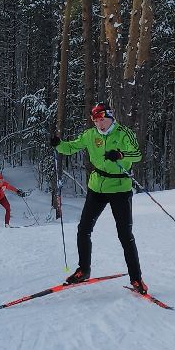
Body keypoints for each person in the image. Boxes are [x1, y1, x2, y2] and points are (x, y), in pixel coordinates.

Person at [51, 101, 146, 293]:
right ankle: (83, 270)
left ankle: (136, 279)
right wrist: (59, 144)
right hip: (97, 187)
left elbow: (137, 155)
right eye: (96, 121)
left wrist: (120, 154)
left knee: (125, 235)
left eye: (102, 120)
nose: (99, 124)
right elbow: (72, 147)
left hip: (120, 188)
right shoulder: (90, 135)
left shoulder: (123, 133)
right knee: (83, 229)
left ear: (110, 118)